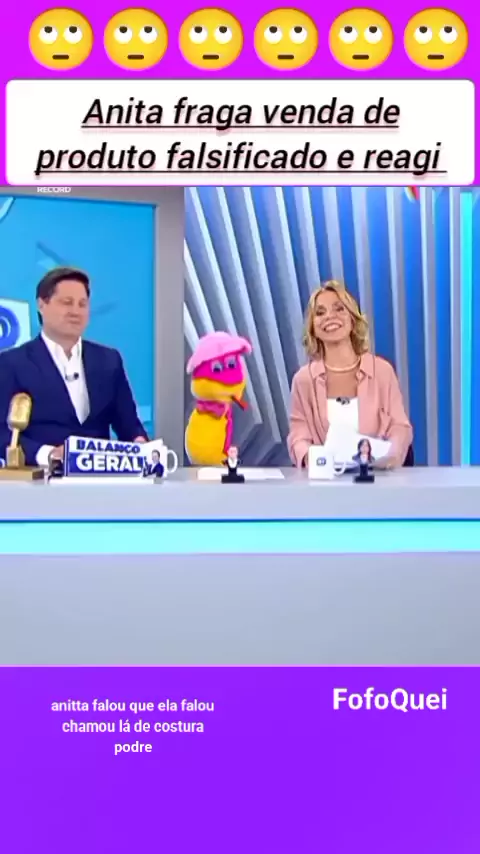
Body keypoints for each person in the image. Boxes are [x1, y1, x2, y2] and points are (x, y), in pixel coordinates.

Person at [0, 267, 148, 467]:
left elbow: (128, 425)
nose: (75, 312)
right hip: (40, 477)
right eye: (67, 302)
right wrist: (49, 454)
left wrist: (139, 443)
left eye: (82, 304)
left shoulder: (108, 360)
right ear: (41, 305)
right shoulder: (11, 363)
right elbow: (2, 433)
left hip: (100, 476)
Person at [287, 281, 413, 469]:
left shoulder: (382, 371)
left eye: (339, 309)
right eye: (320, 313)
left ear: (353, 320)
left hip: (378, 478)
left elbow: (399, 427)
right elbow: (299, 436)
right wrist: (310, 459)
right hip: (326, 480)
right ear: (313, 328)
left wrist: (393, 456)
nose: (330, 316)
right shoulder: (303, 380)